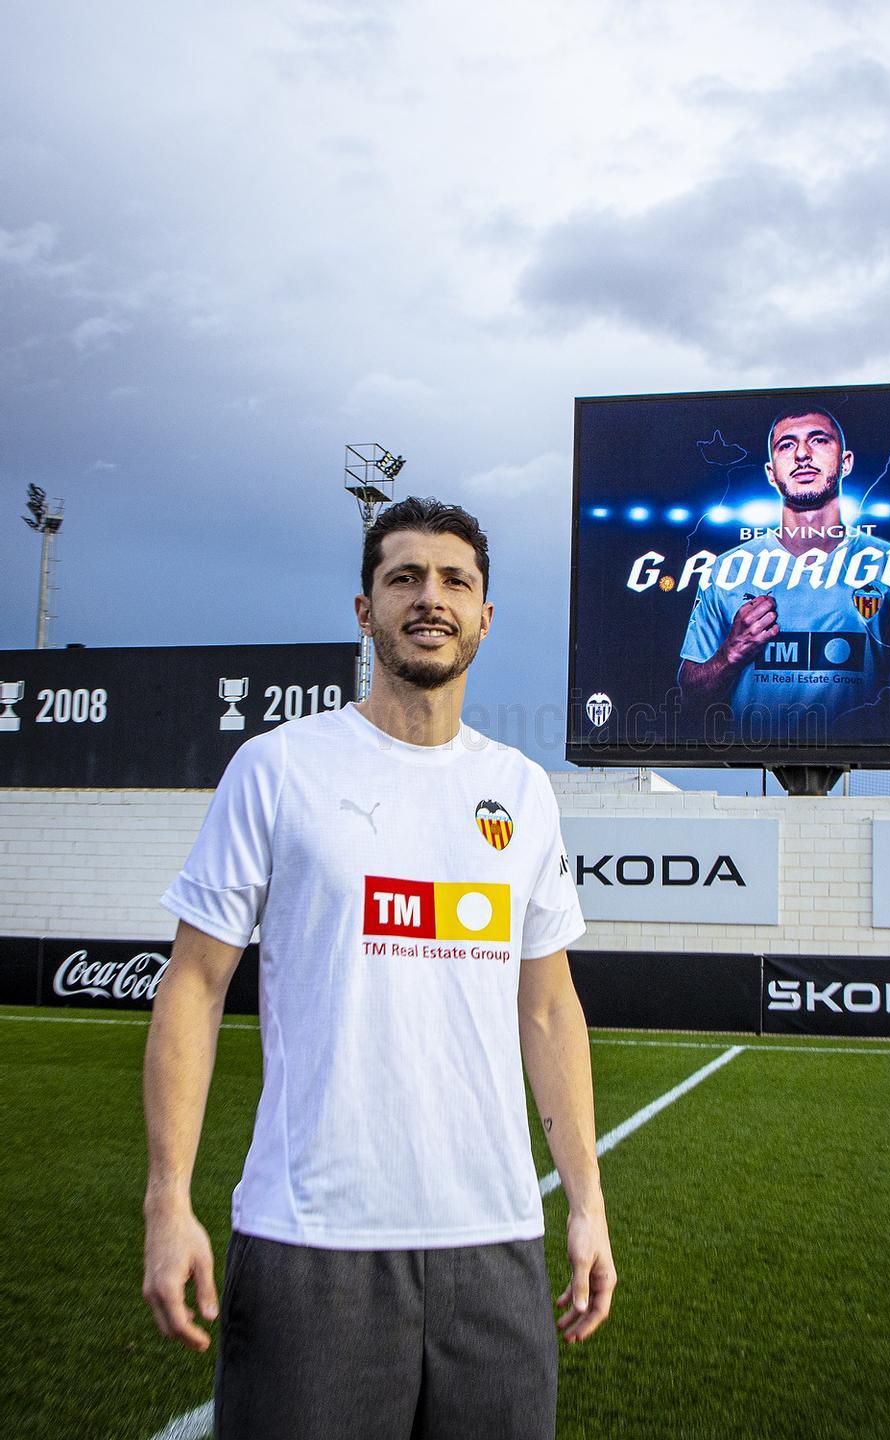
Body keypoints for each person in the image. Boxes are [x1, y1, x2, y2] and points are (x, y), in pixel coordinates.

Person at [142, 496, 615, 1439]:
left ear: (485, 615)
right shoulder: (278, 769)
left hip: (495, 1241)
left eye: (455, 581)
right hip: (311, 1241)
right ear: (365, 611)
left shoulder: (522, 791)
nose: (429, 598)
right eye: (403, 577)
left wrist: (587, 1202)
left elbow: (551, 1009)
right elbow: (194, 983)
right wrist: (168, 1197)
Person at [678, 409, 890, 739]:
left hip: (859, 770)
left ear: (846, 462)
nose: (803, 454)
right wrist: (729, 654)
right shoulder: (727, 570)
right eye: (786, 446)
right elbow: (690, 695)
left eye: (818, 440)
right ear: (770, 473)